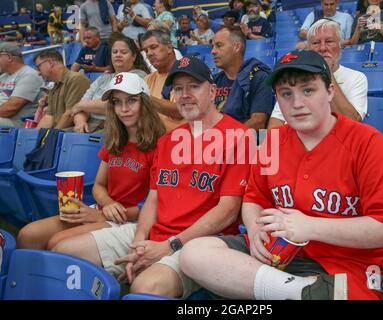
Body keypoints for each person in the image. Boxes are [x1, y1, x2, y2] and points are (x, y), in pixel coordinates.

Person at [179, 49, 383, 300]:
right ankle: (299, 292)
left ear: (330, 92)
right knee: (194, 253)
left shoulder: (366, 142)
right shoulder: (273, 142)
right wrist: (255, 228)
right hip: (277, 255)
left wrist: (311, 226)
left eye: (308, 90)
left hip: (346, 268)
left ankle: (278, 289)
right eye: (286, 94)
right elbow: (254, 199)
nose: (297, 103)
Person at [52, 57, 253, 299]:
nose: (185, 94)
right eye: (178, 89)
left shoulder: (239, 137)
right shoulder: (168, 140)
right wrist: (138, 242)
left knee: (146, 286)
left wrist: (169, 246)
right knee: (63, 251)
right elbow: (153, 200)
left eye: (193, 86)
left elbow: (228, 211)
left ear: (212, 91)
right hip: (153, 232)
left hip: (198, 243)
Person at [17, 72, 165, 250]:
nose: (123, 109)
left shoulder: (160, 145)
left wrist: (105, 215)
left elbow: (156, 203)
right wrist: (107, 204)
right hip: (103, 209)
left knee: (57, 244)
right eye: (117, 102)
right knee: (28, 235)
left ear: (145, 103)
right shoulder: (116, 140)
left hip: (129, 219)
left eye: (131, 100)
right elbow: (99, 185)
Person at [269, 19, 368, 129]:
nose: (322, 48)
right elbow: (275, 123)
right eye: (316, 43)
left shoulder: (357, 78)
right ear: (308, 48)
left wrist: (326, 71)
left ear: (340, 45)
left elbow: (353, 124)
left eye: (329, 41)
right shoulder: (295, 77)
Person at [71, 34, 150, 133]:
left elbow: (115, 106)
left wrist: (82, 105)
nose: (118, 55)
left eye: (123, 52)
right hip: (88, 126)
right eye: (115, 52)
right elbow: (80, 107)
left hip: (115, 128)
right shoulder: (103, 78)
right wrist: (80, 123)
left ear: (133, 56)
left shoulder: (138, 76)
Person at [212, 26, 274, 130]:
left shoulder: (258, 77)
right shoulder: (213, 81)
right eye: (212, 47)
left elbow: (258, 122)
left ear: (237, 47)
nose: (213, 51)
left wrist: (224, 140)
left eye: (219, 45)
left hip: (245, 142)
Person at [34, 49, 91, 130]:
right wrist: (35, 137)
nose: (38, 73)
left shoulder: (76, 79)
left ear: (50, 63)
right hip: (60, 132)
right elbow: (49, 117)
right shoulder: (54, 87)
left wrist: (51, 136)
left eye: (38, 67)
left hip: (71, 133)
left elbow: (70, 114)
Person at [140, 29, 184, 131]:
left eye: (153, 47)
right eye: (146, 50)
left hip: (179, 140)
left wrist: (144, 99)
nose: (149, 53)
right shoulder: (147, 79)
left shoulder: (186, 75)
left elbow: (181, 110)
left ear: (169, 47)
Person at [0, 43, 44, 127]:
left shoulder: (30, 75)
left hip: (17, 123)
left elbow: (11, 108)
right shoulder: (3, 76)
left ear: (9, 57)